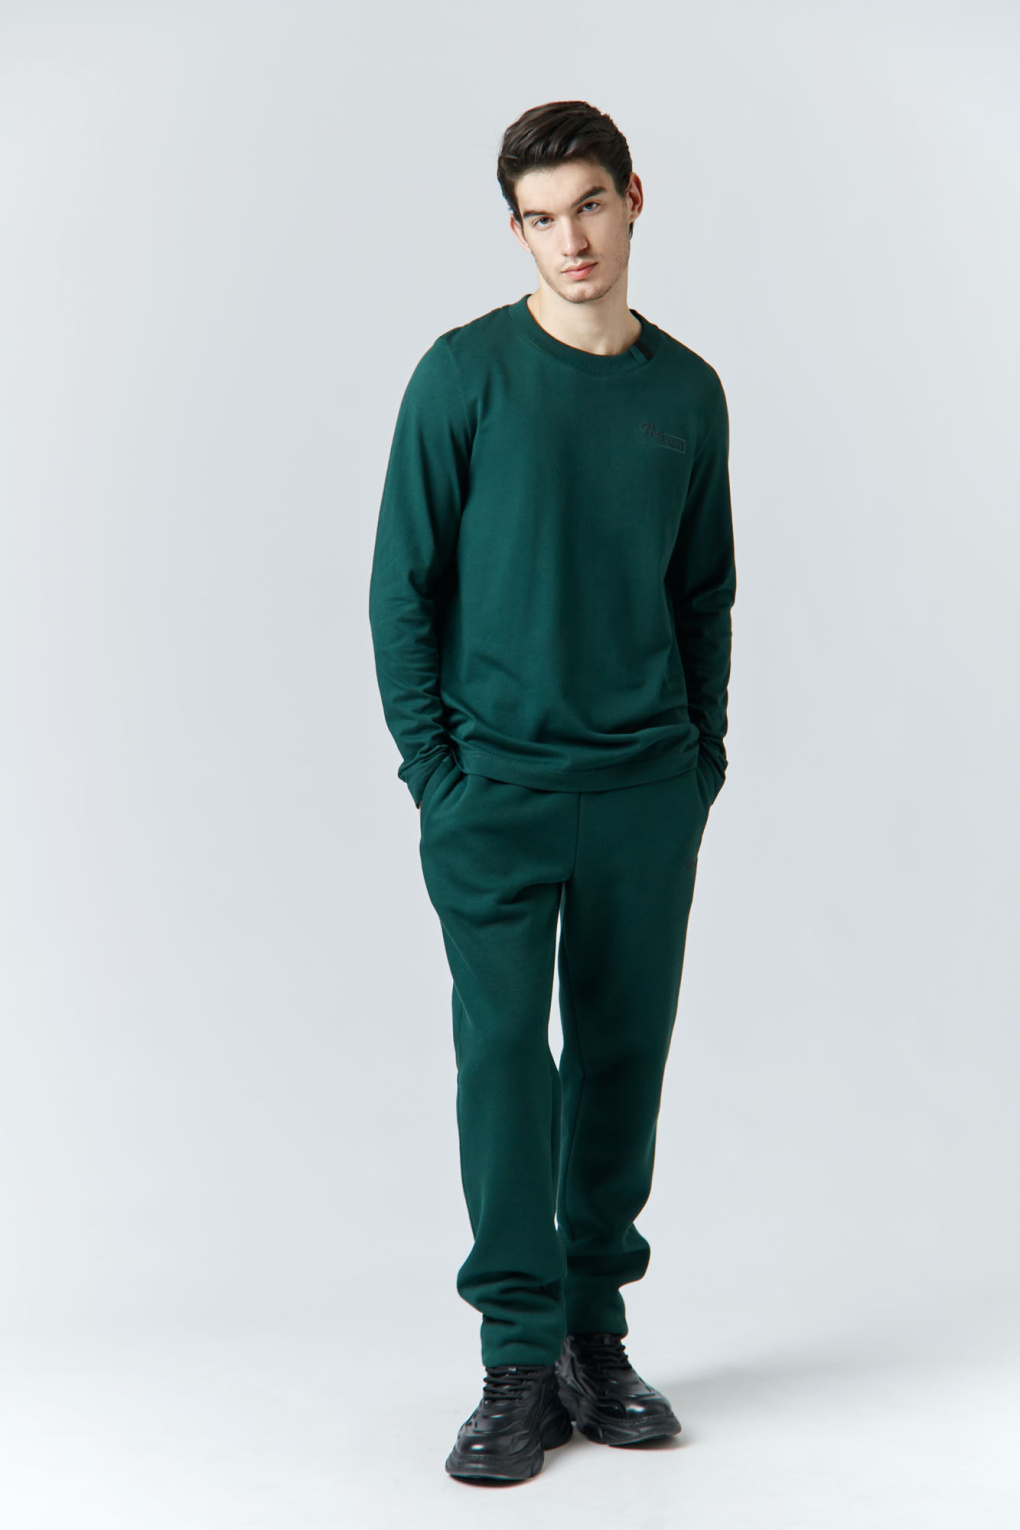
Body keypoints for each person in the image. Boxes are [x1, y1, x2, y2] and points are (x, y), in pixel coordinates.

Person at [368, 99, 736, 1484]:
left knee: (622, 1066)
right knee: (507, 1073)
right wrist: (439, 777)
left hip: (645, 790)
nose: (569, 239)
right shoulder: (462, 376)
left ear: (634, 198)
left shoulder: (687, 394)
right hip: (498, 794)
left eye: (588, 204)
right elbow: (401, 589)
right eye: (539, 216)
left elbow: (704, 592)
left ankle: (595, 1337)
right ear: (515, 229)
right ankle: (517, 1360)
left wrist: (699, 759)